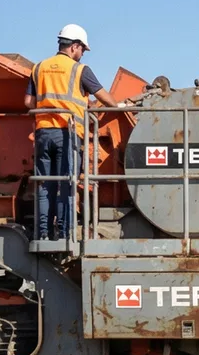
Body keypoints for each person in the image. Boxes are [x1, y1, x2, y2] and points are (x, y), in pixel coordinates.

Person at [26, 23, 128, 242]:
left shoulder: (39, 67)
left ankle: (43, 234)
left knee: (45, 184)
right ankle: (64, 234)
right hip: (68, 134)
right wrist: (119, 107)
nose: (82, 55)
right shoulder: (80, 70)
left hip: (43, 133)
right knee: (67, 184)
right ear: (74, 46)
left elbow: (28, 101)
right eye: (82, 50)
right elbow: (104, 96)